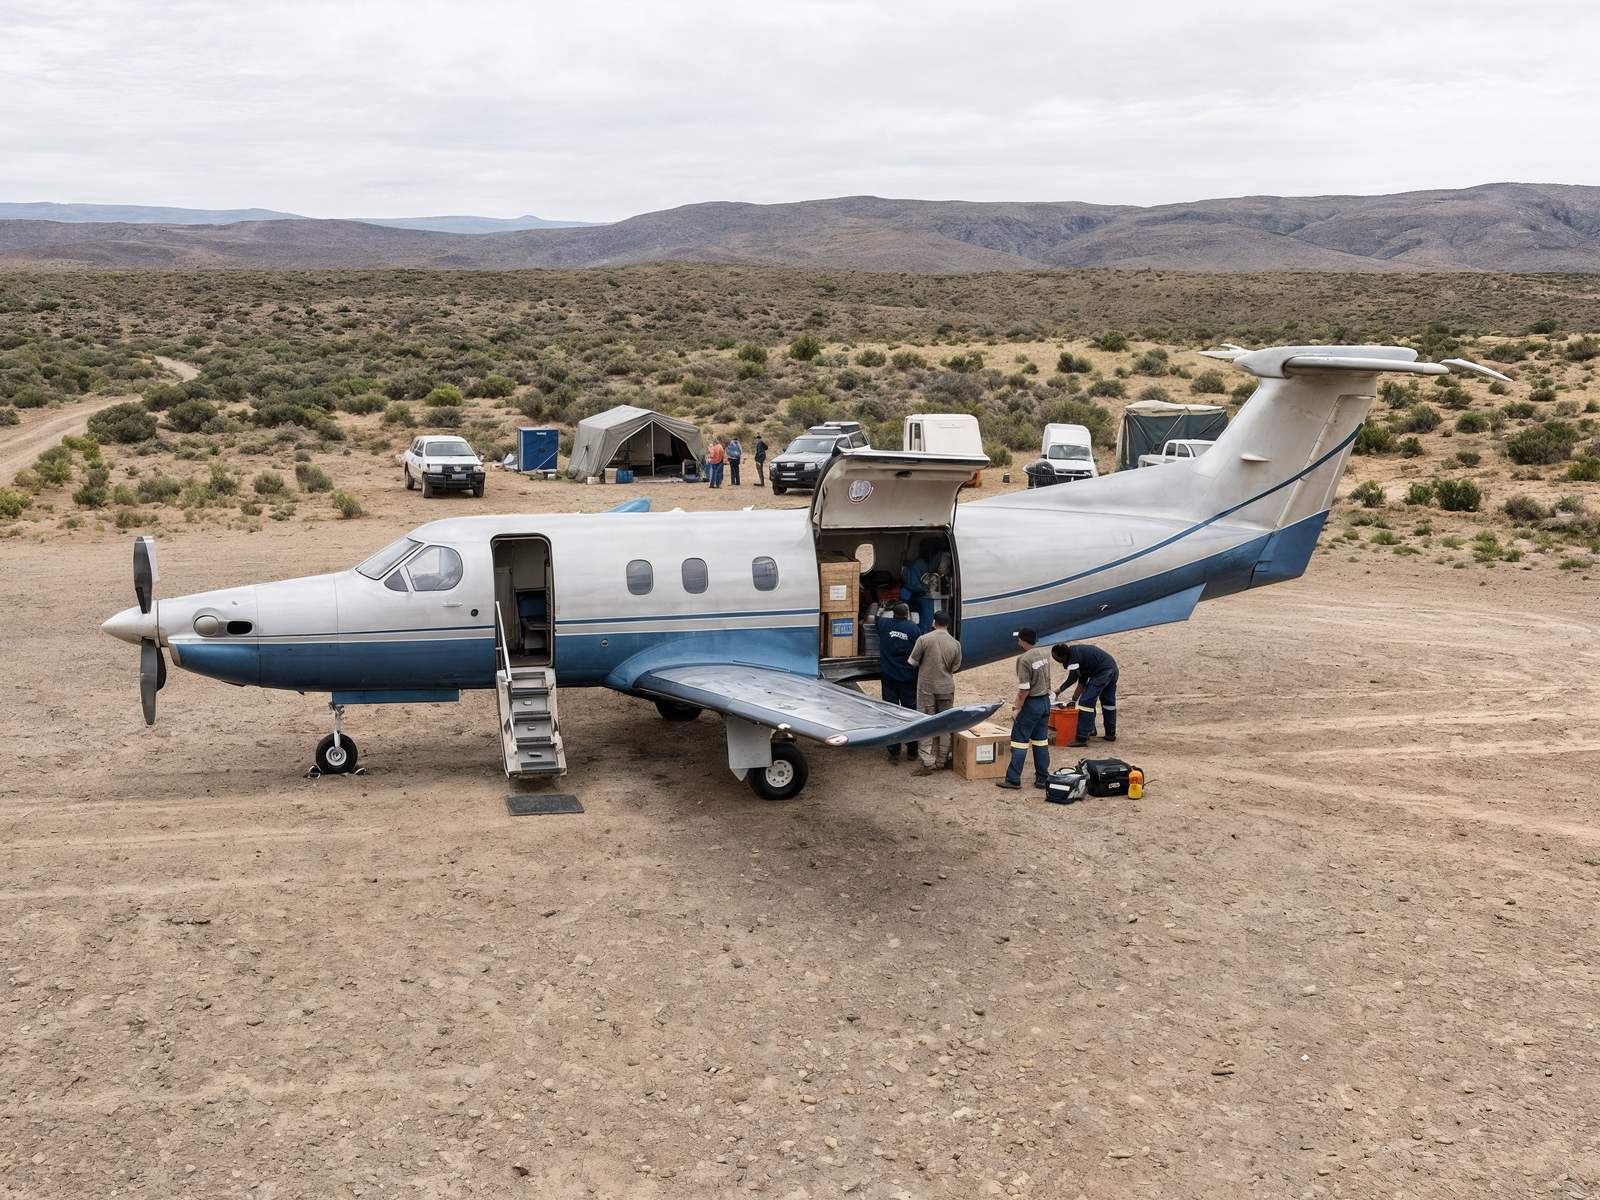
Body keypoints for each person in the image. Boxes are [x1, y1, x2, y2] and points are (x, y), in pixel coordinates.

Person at [997, 627, 1052, 790]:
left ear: (1022, 640)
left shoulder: (1024, 660)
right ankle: (1042, 778)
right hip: (1044, 702)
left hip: (1032, 703)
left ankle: (1013, 779)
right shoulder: (1044, 654)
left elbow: (1024, 690)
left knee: (1020, 741)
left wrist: (1016, 708)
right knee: (1041, 741)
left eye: (1019, 638)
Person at [907, 610, 961, 775]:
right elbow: (955, 667)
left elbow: (912, 662)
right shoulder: (955, 643)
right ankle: (942, 759)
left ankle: (928, 762)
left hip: (926, 688)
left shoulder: (924, 639)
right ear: (948, 624)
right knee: (945, 723)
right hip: (946, 687)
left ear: (933, 622)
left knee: (926, 722)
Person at [875, 602, 922, 762]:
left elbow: (872, 617)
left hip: (889, 677)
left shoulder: (884, 624)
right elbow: (918, 652)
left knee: (891, 713)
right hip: (908, 677)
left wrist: (880, 606)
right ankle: (912, 751)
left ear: (893, 613)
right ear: (907, 613)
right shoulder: (913, 629)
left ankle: (894, 752)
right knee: (910, 713)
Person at [1052, 641, 1118, 747]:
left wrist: (1058, 691)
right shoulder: (1078, 653)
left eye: (1057, 659)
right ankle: (1109, 733)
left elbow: (1073, 678)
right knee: (1108, 703)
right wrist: (1074, 699)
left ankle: (1081, 738)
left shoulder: (1074, 656)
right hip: (1112, 668)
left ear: (1063, 656)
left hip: (1103, 672)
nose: (1058, 662)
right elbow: (1082, 680)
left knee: (1085, 702)